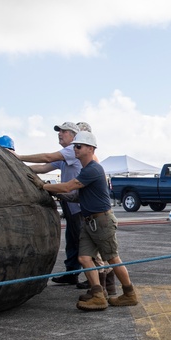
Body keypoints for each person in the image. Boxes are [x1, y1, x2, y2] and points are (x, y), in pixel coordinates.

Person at [32, 131, 139, 311]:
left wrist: (43, 186)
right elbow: (76, 196)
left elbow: (68, 186)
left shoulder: (92, 169)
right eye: (75, 146)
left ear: (90, 149)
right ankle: (98, 294)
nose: (75, 149)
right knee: (84, 258)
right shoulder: (86, 170)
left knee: (112, 258)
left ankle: (129, 293)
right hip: (90, 221)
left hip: (102, 221)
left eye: (78, 146)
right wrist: (56, 194)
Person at [16, 122, 86, 288]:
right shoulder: (66, 155)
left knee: (83, 242)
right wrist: (17, 168)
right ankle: (71, 273)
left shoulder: (72, 150)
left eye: (63, 131)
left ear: (73, 135)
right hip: (70, 204)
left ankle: (96, 278)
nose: (59, 134)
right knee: (72, 239)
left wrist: (18, 158)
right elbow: (43, 167)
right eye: (59, 131)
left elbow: (47, 158)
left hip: (78, 205)